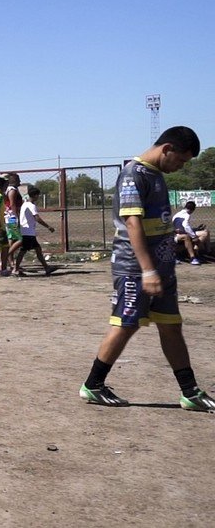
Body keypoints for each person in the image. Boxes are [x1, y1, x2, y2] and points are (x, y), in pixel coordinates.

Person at [79, 126, 215, 412]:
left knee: (171, 326)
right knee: (126, 324)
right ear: (167, 149)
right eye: (181, 160)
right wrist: (148, 270)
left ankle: (190, 392)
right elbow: (132, 223)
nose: (180, 167)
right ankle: (93, 385)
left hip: (161, 267)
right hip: (135, 268)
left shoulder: (156, 174)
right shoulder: (134, 174)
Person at [14, 185, 58, 276]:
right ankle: (15, 269)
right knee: (23, 251)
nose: (38, 197)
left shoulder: (24, 204)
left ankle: (47, 268)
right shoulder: (31, 206)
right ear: (35, 195)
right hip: (28, 233)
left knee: (38, 249)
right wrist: (48, 227)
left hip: (26, 231)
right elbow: (37, 218)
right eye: (38, 195)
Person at [3, 173, 24, 259]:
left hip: (10, 217)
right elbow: (12, 204)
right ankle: (6, 257)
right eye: (18, 179)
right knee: (20, 239)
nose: (20, 181)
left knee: (11, 238)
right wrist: (16, 217)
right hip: (12, 217)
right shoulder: (12, 190)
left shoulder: (10, 189)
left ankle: (10, 260)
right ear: (14, 181)